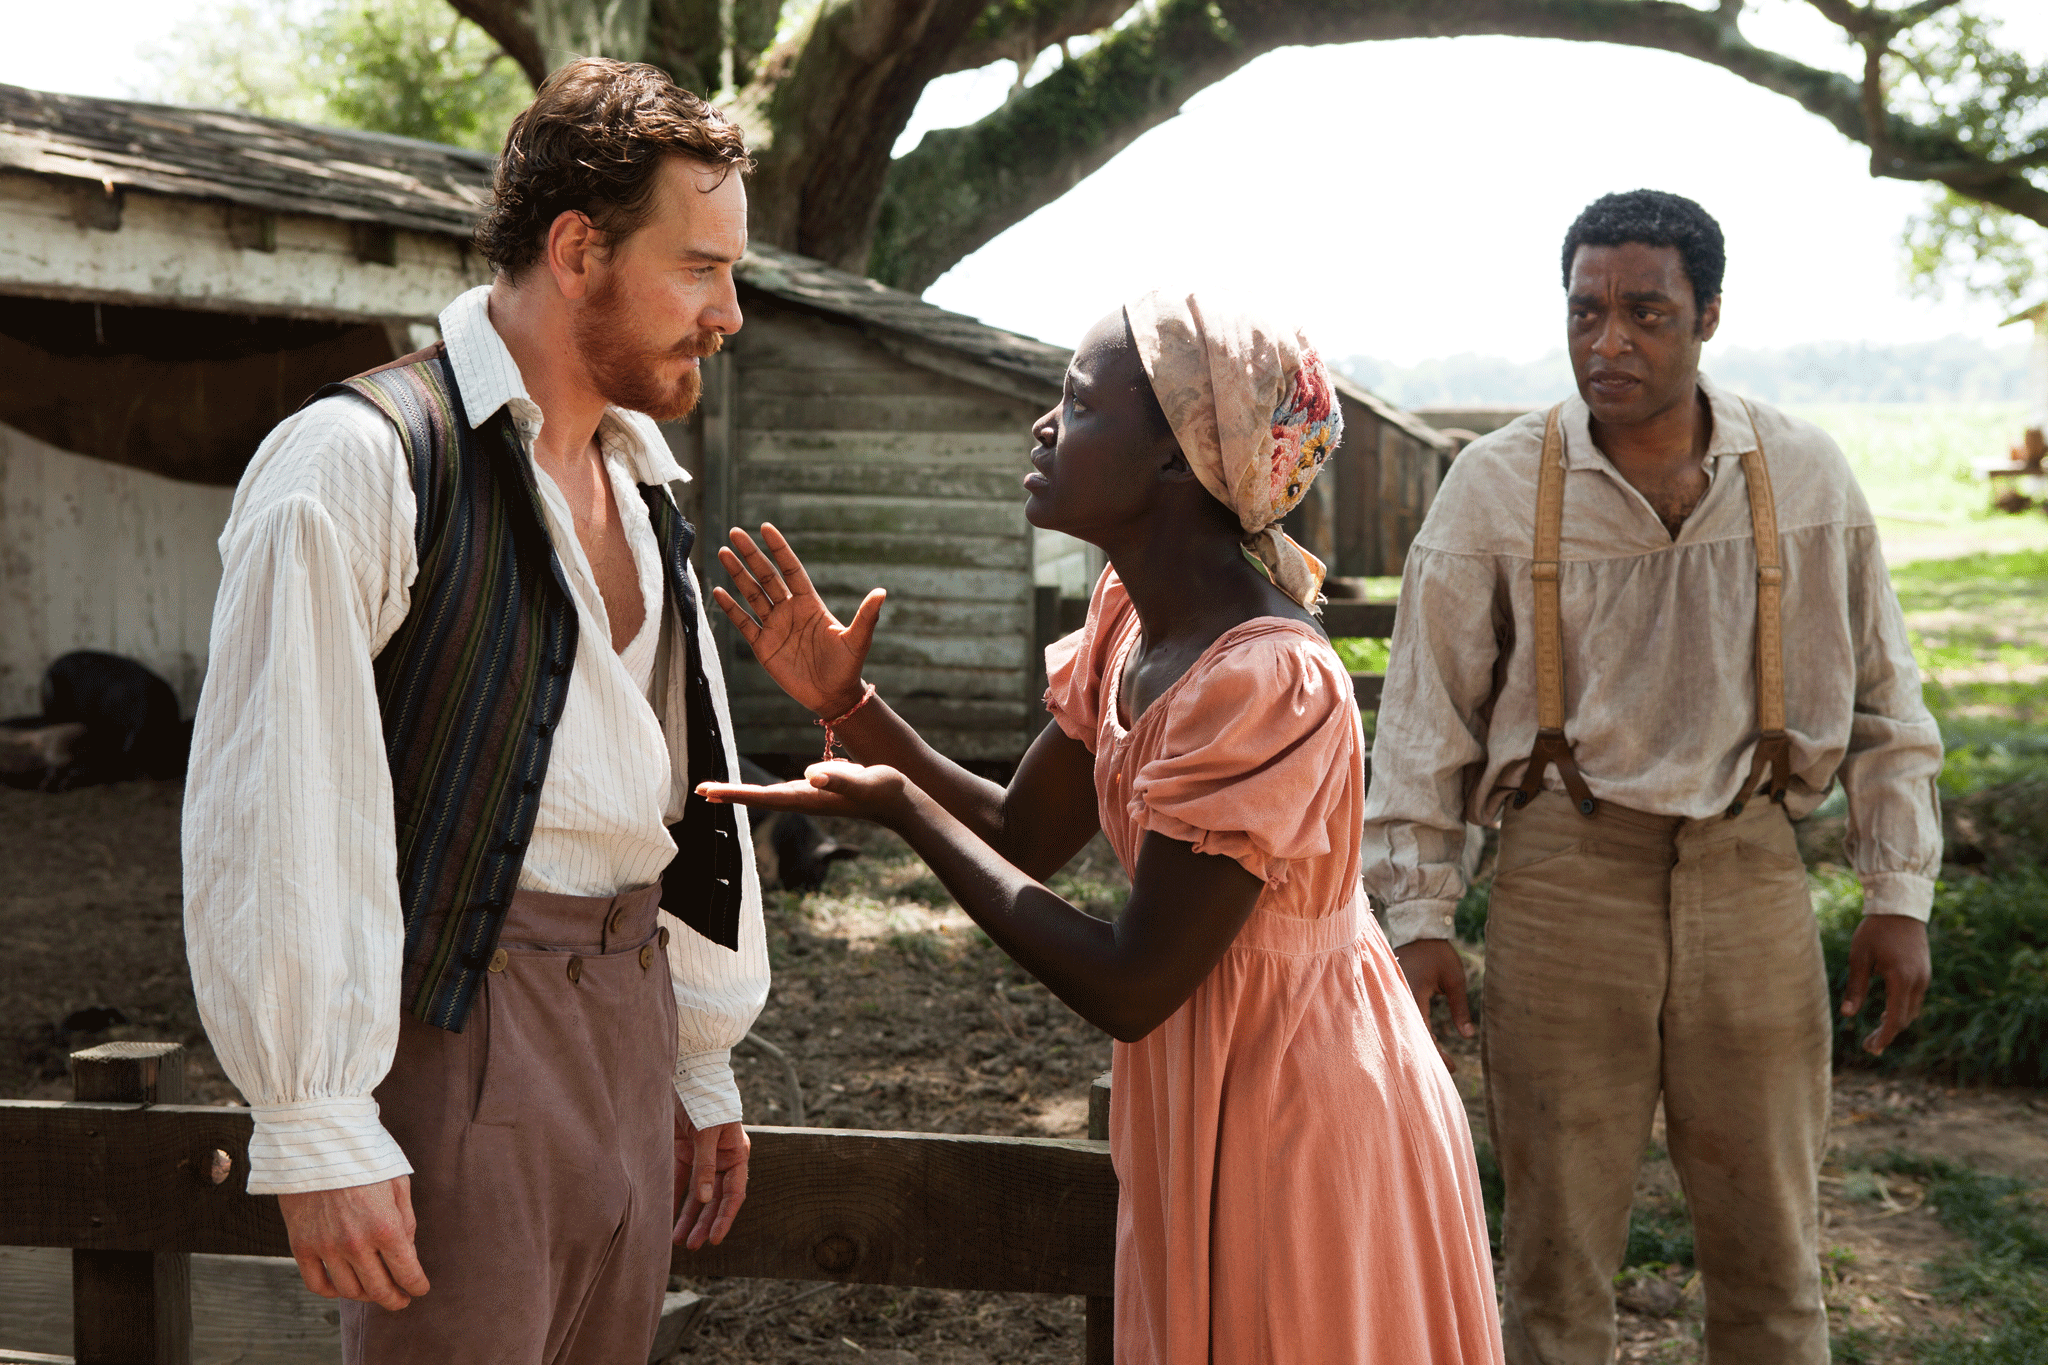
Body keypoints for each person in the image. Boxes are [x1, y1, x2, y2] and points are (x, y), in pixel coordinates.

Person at [701, 292, 1505, 1364]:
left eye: (1075, 405)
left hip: (1300, 1107)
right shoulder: (1132, 621)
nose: (1043, 427)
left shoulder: (1266, 678)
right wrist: (850, 708)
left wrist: (899, 811)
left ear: (1180, 457)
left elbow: (1131, 984)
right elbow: (1020, 835)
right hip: (1214, 1078)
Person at [182, 59, 767, 1362]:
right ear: (577, 249)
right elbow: (275, 806)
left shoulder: (642, 481)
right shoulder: (360, 462)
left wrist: (697, 1053)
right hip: (465, 1030)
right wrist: (315, 1116)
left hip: (631, 1023)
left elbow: (676, 784)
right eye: (700, 267)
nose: (730, 312)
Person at [1364, 189, 1943, 1365]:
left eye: (1644, 313)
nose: (1607, 341)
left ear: (1708, 316)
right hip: (1564, 884)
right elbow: (1423, 723)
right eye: (1585, 312)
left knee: (1773, 1255)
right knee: (1554, 1263)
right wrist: (1418, 915)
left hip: (1750, 879)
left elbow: (1885, 698)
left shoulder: (1803, 475)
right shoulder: (1493, 486)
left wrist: (1897, 893)